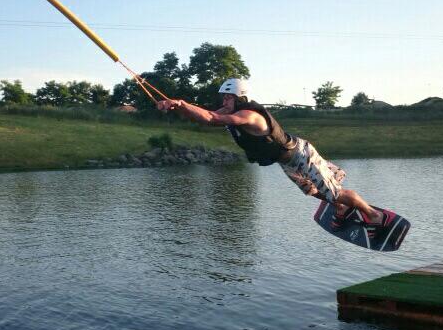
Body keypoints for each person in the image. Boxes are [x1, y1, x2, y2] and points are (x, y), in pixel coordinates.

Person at [157, 78, 384, 228]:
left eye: (228, 97)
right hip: (285, 161)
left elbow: (212, 118)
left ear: (240, 98)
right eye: (223, 97)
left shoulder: (249, 116)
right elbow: (204, 118)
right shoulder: (230, 111)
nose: (223, 101)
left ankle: (372, 214)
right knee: (312, 191)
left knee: (334, 193)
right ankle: (341, 207)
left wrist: (181, 103)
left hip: (300, 154)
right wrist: (176, 108)